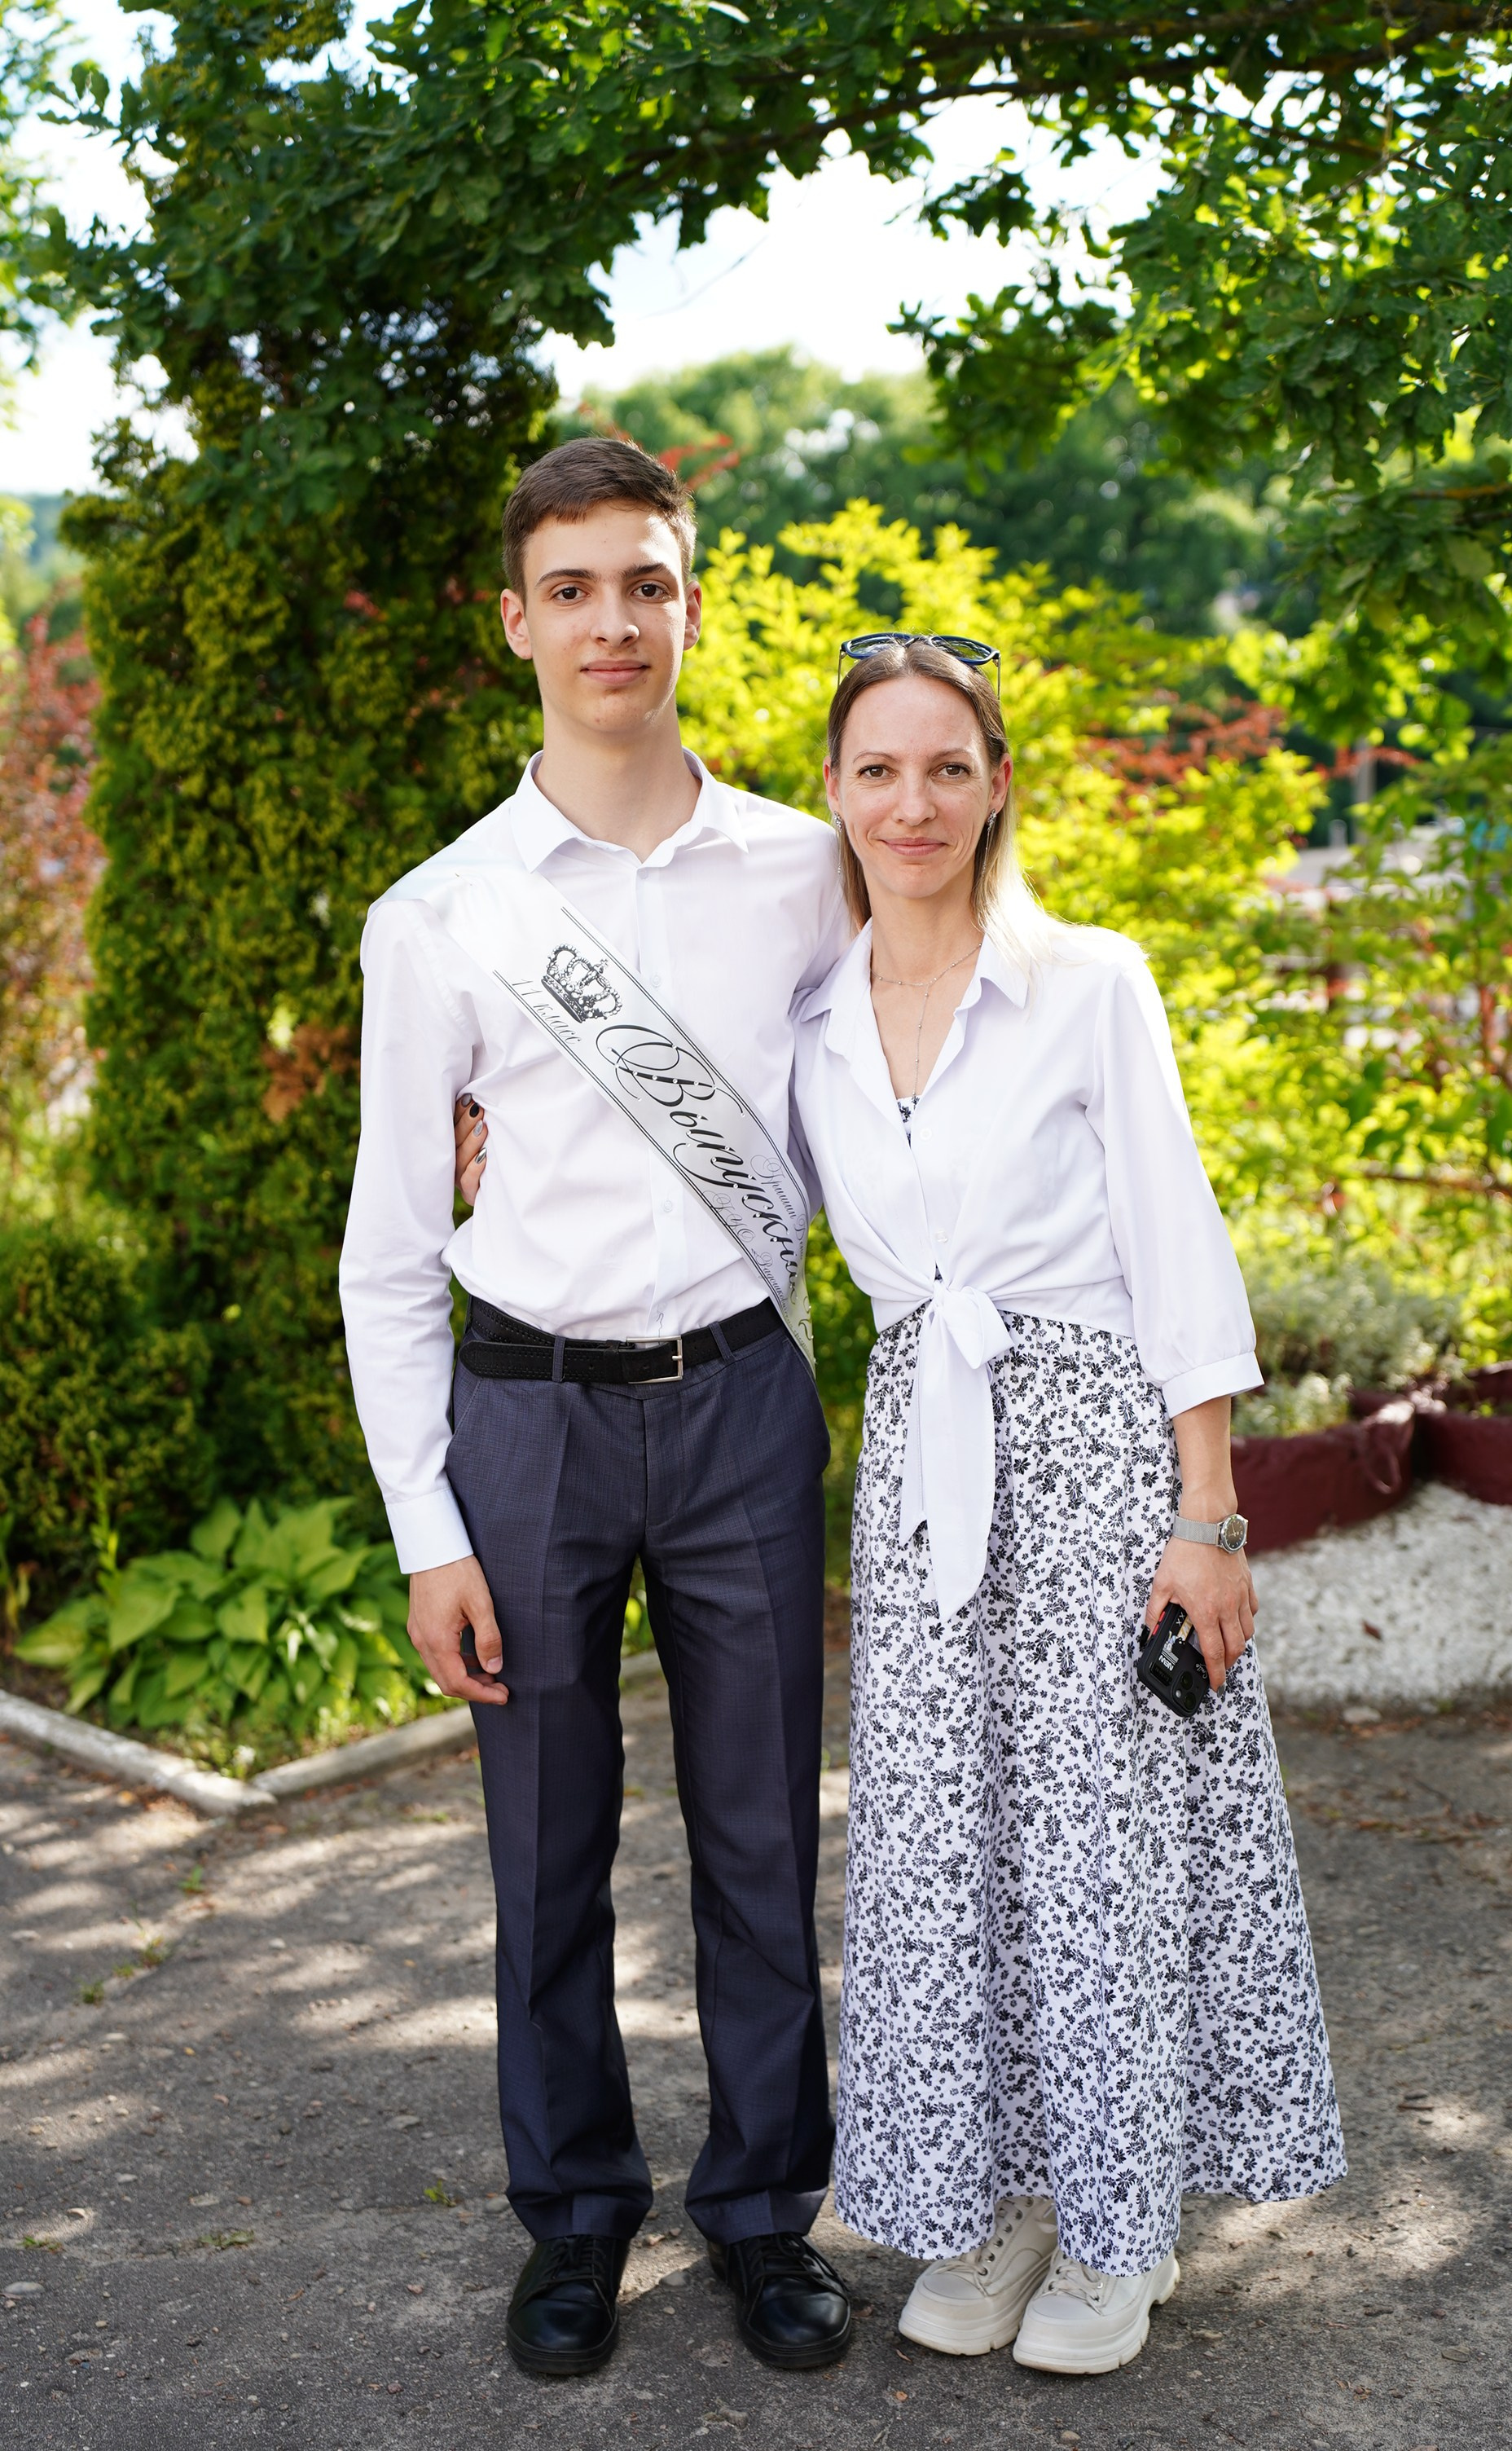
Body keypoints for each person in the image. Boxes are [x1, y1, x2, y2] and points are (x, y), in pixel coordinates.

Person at [339, 437, 857, 2379]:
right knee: (543, 1850)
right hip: (528, 1424)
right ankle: (570, 2215)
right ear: (517, 624)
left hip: (737, 1405)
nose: (611, 621)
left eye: (645, 581)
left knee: (758, 1842)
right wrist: (425, 1522)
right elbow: (390, 1246)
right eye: (573, 588)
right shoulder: (443, 915)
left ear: (692, 606)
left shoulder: (803, 874)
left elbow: (890, 1087)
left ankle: (763, 2213)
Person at [788, 636, 1346, 2374]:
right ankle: (998, 2199)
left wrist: (1212, 1516)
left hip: (1103, 1451)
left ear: (998, 782)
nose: (912, 802)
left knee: (1104, 1847)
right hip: (923, 1468)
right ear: (833, 791)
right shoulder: (803, 1019)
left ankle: (1119, 2227)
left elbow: (1180, 1243)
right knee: (952, 1851)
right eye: (877, 768)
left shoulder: (1088, 979)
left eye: (946, 766)